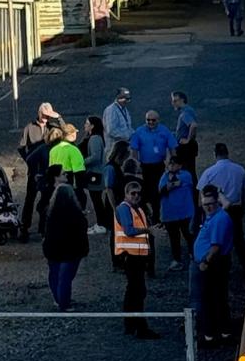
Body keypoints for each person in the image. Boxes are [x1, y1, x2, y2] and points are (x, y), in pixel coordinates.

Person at [198, 142, 245, 277]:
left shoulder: (209, 172)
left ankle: (217, 265)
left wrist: (204, 212)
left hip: (216, 209)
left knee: (217, 239)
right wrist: (243, 206)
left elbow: (201, 192)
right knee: (238, 239)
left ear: (215, 155)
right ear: (227, 153)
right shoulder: (239, 169)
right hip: (235, 208)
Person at [113, 178, 157, 339]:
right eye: (133, 193)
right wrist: (148, 230)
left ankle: (131, 325)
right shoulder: (126, 209)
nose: (136, 196)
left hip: (136, 256)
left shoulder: (134, 208)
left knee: (134, 292)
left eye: (138, 193)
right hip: (131, 257)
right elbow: (129, 230)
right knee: (137, 292)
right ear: (126, 194)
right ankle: (139, 327)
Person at [191, 185, 233, 345]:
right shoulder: (215, 216)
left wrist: (206, 261)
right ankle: (219, 332)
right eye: (205, 204)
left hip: (213, 264)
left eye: (211, 204)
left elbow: (216, 246)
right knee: (213, 298)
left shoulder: (219, 219)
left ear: (217, 203)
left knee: (212, 298)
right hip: (212, 262)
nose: (208, 207)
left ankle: (214, 335)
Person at [42, 178, 89, 310]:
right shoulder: (77, 214)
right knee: (66, 279)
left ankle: (58, 299)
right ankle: (64, 304)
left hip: (53, 249)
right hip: (70, 251)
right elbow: (82, 232)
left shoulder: (49, 212)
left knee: (54, 275)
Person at [18, 101, 61, 241]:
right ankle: (25, 227)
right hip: (34, 170)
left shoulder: (53, 127)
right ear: (39, 113)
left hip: (47, 171)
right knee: (30, 199)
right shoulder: (29, 128)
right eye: (45, 115)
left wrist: (58, 118)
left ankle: (43, 227)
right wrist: (29, 160)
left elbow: (65, 131)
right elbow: (22, 146)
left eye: (49, 116)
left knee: (46, 200)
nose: (46, 118)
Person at [128, 110, 171, 222]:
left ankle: (156, 217)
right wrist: (136, 165)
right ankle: (144, 216)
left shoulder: (164, 130)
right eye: (148, 120)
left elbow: (172, 146)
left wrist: (170, 163)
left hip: (159, 166)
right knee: (144, 192)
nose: (150, 122)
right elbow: (134, 149)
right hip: (145, 167)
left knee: (157, 193)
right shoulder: (139, 132)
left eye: (153, 120)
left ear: (158, 120)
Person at [158, 154, 196, 270]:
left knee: (189, 235)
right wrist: (171, 184)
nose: (171, 165)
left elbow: (179, 183)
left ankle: (194, 255)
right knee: (174, 238)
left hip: (185, 212)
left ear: (180, 165)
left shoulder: (186, 175)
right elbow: (162, 189)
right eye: (170, 163)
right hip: (170, 214)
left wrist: (171, 184)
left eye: (174, 163)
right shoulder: (164, 176)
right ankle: (177, 260)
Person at [82, 115, 110, 236]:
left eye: (87, 123)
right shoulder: (98, 138)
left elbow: (95, 157)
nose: (85, 125)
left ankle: (101, 224)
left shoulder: (94, 139)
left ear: (92, 126)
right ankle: (101, 223)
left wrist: (82, 162)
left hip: (95, 174)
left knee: (96, 200)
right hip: (97, 173)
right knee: (97, 200)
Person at [49, 123, 87, 208]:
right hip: (70, 181)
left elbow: (51, 169)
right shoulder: (73, 150)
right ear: (72, 134)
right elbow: (79, 171)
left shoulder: (53, 150)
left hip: (56, 182)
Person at [102, 87, 134, 169]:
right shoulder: (111, 110)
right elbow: (111, 130)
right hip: (113, 151)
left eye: (128, 99)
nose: (125, 101)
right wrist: (126, 137)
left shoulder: (125, 110)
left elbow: (128, 127)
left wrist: (135, 134)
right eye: (123, 98)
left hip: (122, 151)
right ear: (117, 97)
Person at [171, 90, 198, 171]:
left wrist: (188, 140)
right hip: (189, 146)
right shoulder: (189, 110)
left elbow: (193, 125)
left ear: (182, 100)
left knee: (186, 171)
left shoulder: (185, 112)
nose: (173, 103)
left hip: (185, 148)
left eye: (175, 101)